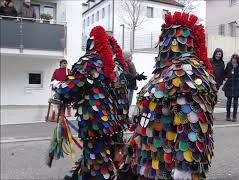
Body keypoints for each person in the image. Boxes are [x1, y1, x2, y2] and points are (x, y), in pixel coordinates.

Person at [130, 12, 216, 179]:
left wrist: (185, 166)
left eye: (170, 38)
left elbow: (189, 120)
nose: (165, 43)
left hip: (167, 165)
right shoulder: (163, 72)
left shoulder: (185, 72)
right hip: (149, 159)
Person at [47, 26, 129, 180]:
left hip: (94, 123)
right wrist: (122, 121)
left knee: (97, 163)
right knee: (103, 160)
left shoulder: (90, 62)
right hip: (113, 125)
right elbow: (124, 99)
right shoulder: (117, 68)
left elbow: (70, 89)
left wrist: (57, 88)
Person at [222, 54, 239, 122]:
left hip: (237, 85)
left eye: (235, 59)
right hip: (229, 85)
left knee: (235, 102)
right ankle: (228, 116)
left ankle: (234, 116)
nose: (234, 60)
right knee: (229, 101)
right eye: (233, 58)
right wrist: (225, 77)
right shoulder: (229, 64)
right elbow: (225, 72)